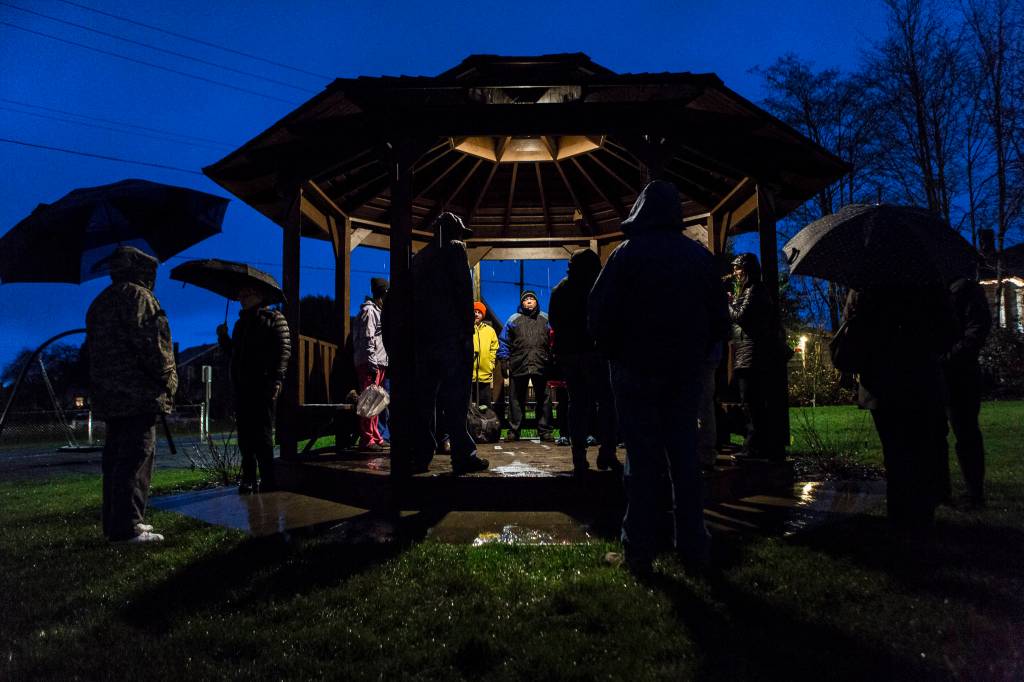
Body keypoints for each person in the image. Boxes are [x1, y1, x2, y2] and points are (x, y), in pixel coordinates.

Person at [589, 181, 730, 574]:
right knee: (684, 458)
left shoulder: (625, 256)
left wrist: (614, 350)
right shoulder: (698, 258)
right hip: (684, 373)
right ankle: (694, 548)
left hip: (634, 371)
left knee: (642, 460)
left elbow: (597, 314)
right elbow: (721, 318)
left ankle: (639, 550)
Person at [843, 283, 956, 532]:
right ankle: (921, 516)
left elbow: (851, 331)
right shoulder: (926, 286)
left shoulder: (864, 288)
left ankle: (901, 517)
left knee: (895, 454)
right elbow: (948, 331)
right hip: (919, 379)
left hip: (882, 383)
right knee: (921, 450)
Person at [86, 246, 177, 543]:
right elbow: (155, 348)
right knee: (136, 458)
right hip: (139, 394)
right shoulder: (139, 298)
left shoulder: (99, 303)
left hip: (110, 396)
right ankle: (127, 528)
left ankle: (117, 523)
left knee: (115, 460)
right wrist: (169, 382)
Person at [409, 212, 489, 475]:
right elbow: (463, 292)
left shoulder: (420, 258)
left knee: (424, 400)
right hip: (451, 339)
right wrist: (467, 334)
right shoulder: (455, 251)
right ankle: (462, 455)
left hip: (424, 340)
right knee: (456, 400)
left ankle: (420, 454)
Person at [549, 248, 621, 475]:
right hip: (594, 353)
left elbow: (554, 322)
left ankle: (579, 457)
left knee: (578, 404)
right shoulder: (597, 286)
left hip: (570, 355)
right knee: (607, 402)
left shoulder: (559, 289)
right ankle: (607, 452)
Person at [217, 285, 291, 493]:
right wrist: (224, 339)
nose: (241, 297)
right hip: (243, 385)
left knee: (263, 433)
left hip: (264, 383)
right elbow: (235, 352)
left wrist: (277, 379)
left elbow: (283, 349)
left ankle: (268, 477)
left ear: (258, 295)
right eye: (241, 294)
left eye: (245, 293)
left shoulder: (274, 318)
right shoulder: (241, 324)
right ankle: (248, 477)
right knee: (245, 435)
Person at [941, 277, 992, 508]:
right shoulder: (934, 290)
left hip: (960, 374)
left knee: (966, 433)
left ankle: (974, 492)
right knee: (935, 434)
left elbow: (977, 329)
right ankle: (942, 490)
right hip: (939, 371)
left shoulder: (965, 290)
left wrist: (952, 357)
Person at [729, 252, 783, 460]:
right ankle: (759, 445)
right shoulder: (755, 290)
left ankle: (753, 447)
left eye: (738, 268)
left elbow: (741, 316)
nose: (735, 273)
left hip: (751, 355)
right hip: (750, 354)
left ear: (748, 270)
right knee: (752, 402)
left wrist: (729, 304)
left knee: (751, 403)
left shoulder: (754, 290)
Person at [498, 290, 554, 441]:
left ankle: (545, 431)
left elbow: (553, 339)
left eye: (532, 299)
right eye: (526, 299)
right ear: (522, 303)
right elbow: (503, 341)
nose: (529, 301)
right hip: (519, 363)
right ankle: (514, 431)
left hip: (541, 363)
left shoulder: (546, 318)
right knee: (515, 399)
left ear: (536, 302)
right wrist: (503, 359)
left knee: (544, 398)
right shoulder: (513, 319)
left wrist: (553, 358)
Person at [352, 278, 389, 451]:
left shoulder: (379, 311)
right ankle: (366, 438)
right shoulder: (370, 311)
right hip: (370, 362)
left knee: (376, 400)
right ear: (381, 295)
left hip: (379, 362)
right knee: (368, 400)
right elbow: (368, 337)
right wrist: (372, 362)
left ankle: (375, 434)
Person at [472, 301, 499, 409]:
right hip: (468, 376)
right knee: (468, 406)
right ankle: (468, 426)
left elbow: (494, 348)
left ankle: (485, 425)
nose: (476, 314)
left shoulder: (490, 331)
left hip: (484, 375)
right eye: (474, 311)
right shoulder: (466, 329)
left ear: (483, 315)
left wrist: (490, 364)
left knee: (484, 406)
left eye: (479, 312)